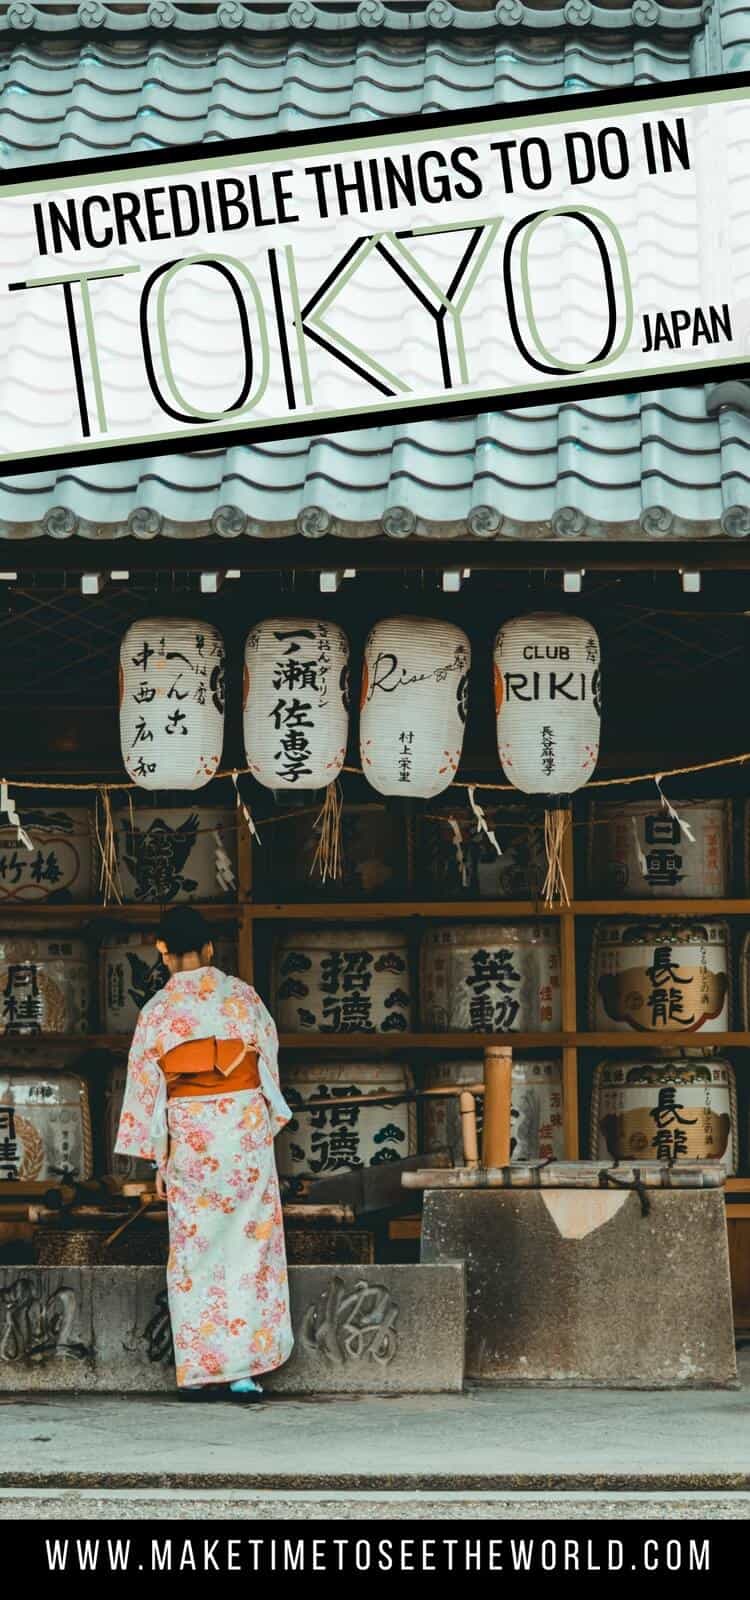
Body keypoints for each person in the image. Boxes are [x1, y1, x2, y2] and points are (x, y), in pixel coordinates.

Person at [114, 906, 293, 1401]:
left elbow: (148, 1088)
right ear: (212, 948)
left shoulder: (157, 1012)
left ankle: (199, 1371)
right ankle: (244, 1373)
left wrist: (158, 1155)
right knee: (249, 1248)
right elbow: (268, 1065)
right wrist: (262, 1121)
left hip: (192, 1137)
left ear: (163, 951)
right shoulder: (243, 999)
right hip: (242, 1133)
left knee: (194, 1252)